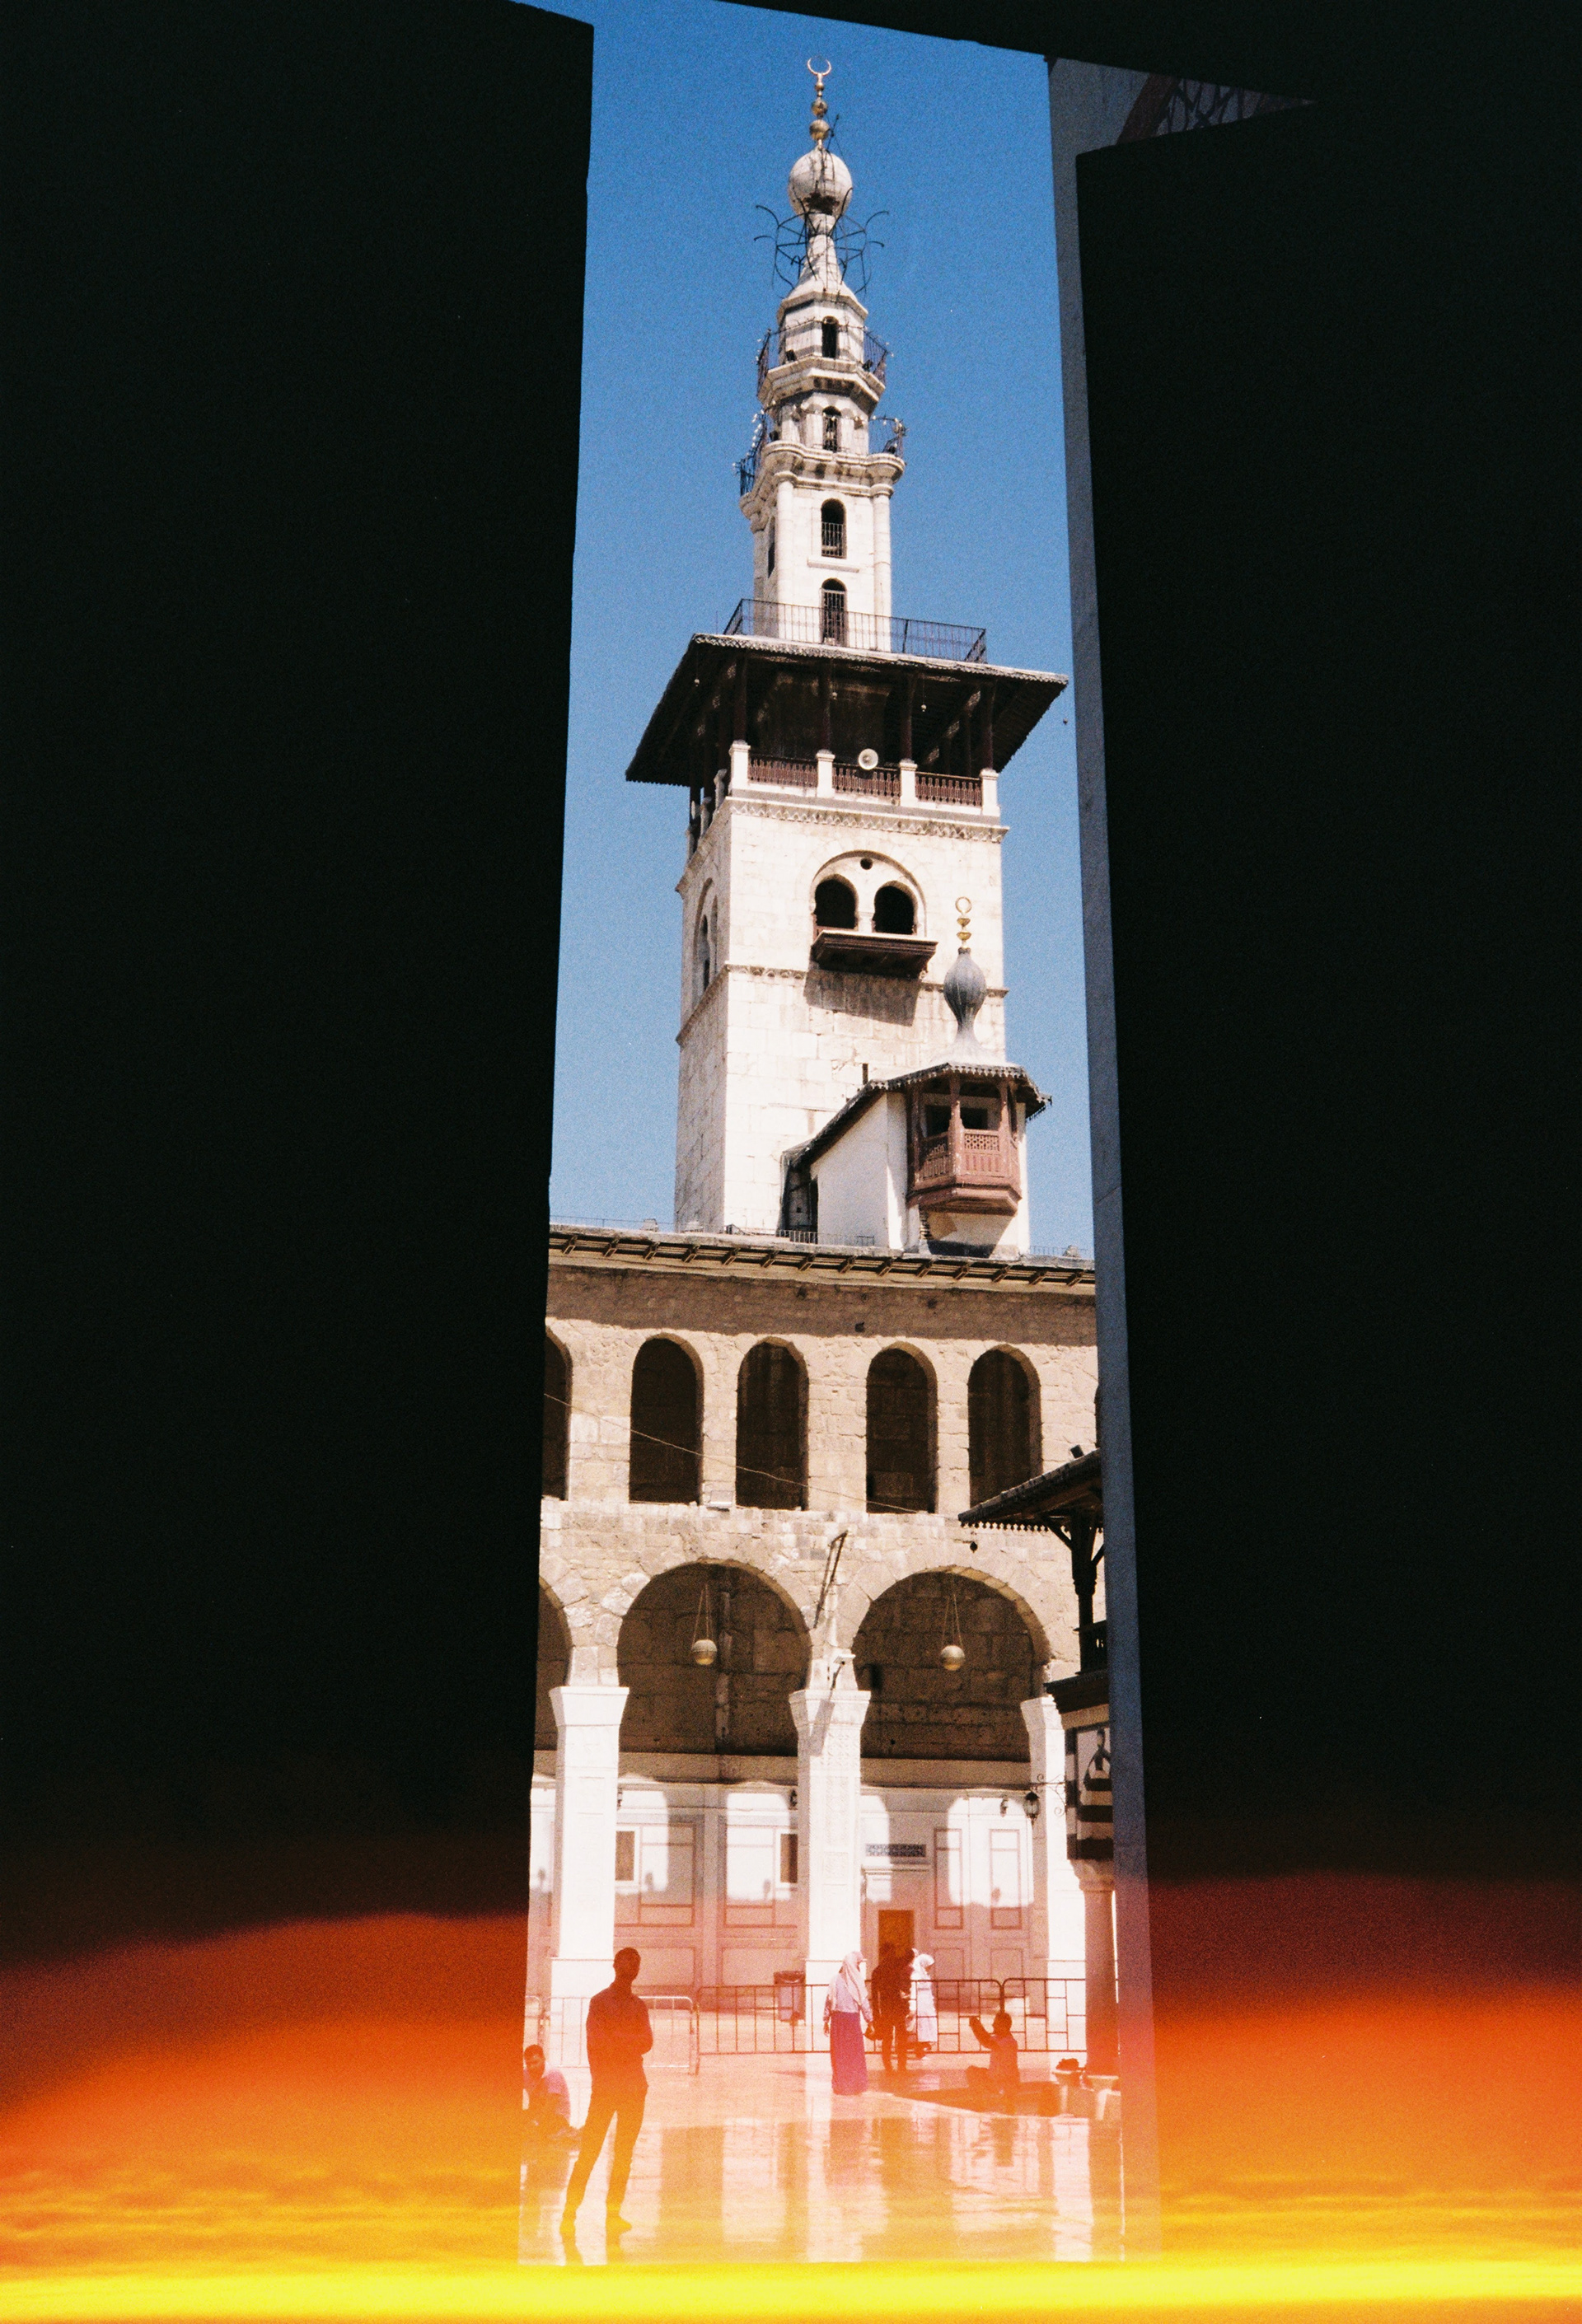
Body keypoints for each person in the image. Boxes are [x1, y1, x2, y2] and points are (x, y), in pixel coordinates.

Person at [561, 1948, 653, 2237]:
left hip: (633, 2089)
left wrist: (619, 2041)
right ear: (615, 1966)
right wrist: (628, 2043)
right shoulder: (599, 2002)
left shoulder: (640, 2006)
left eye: (635, 1963)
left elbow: (647, 2042)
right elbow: (598, 2044)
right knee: (590, 2151)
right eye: (627, 1962)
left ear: (637, 1970)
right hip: (607, 2088)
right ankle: (569, 2213)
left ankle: (613, 2214)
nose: (631, 1967)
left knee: (623, 2154)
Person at [824, 1949, 872, 2094]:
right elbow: (864, 2003)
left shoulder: (835, 1979)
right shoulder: (857, 1981)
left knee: (840, 2053)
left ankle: (842, 2084)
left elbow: (829, 2001)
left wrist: (826, 2019)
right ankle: (854, 2084)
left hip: (838, 2021)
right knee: (853, 2053)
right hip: (851, 2021)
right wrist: (870, 2020)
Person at [522, 2044, 576, 2146]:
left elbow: (551, 2105)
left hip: (558, 2117)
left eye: (535, 2062)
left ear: (543, 2059)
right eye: (528, 2064)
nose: (532, 2067)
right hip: (537, 2113)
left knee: (537, 2134)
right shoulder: (525, 2074)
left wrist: (535, 2123)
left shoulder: (554, 2075)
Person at [870, 1943, 912, 2073]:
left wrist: (876, 2014)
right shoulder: (897, 1965)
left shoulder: (877, 1971)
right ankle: (902, 2065)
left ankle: (888, 2065)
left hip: (886, 2008)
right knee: (901, 2038)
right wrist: (904, 1946)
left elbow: (874, 1995)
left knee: (887, 2038)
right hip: (898, 2007)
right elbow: (910, 1955)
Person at [966, 2008, 1021, 2107]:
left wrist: (976, 2025)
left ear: (1003, 2026)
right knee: (972, 2072)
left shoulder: (1010, 2042)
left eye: (995, 2023)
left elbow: (986, 2042)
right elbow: (986, 2038)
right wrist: (976, 2026)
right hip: (994, 2080)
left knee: (1008, 2110)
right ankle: (979, 2105)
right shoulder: (998, 2038)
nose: (993, 2025)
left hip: (1006, 2083)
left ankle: (1004, 2105)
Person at [909, 1952, 938, 2058]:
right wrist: (913, 2006)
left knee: (927, 2025)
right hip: (920, 2003)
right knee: (921, 2026)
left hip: (927, 2003)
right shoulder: (916, 1975)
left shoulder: (924, 1974)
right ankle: (919, 2050)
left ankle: (923, 2047)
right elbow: (913, 1990)